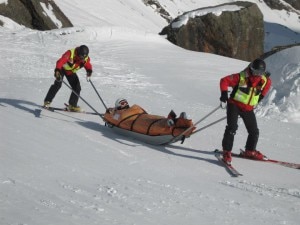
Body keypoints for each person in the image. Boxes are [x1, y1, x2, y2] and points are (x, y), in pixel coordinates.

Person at [219, 58, 272, 165]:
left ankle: (250, 151)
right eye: (255, 71)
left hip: (248, 108)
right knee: (232, 128)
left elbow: (267, 85)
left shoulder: (264, 80)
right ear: (251, 69)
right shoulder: (241, 77)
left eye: (260, 73)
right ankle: (226, 152)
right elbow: (224, 81)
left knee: (254, 131)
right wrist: (224, 94)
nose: (257, 75)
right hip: (234, 105)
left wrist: (260, 97)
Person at [43, 45, 92, 112]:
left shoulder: (85, 58)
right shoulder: (70, 53)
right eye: (81, 57)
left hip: (70, 72)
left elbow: (87, 64)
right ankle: (47, 101)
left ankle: (72, 105)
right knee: (58, 84)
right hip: (62, 69)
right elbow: (60, 61)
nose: (82, 59)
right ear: (78, 53)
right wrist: (57, 70)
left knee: (77, 88)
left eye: (84, 57)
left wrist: (89, 71)